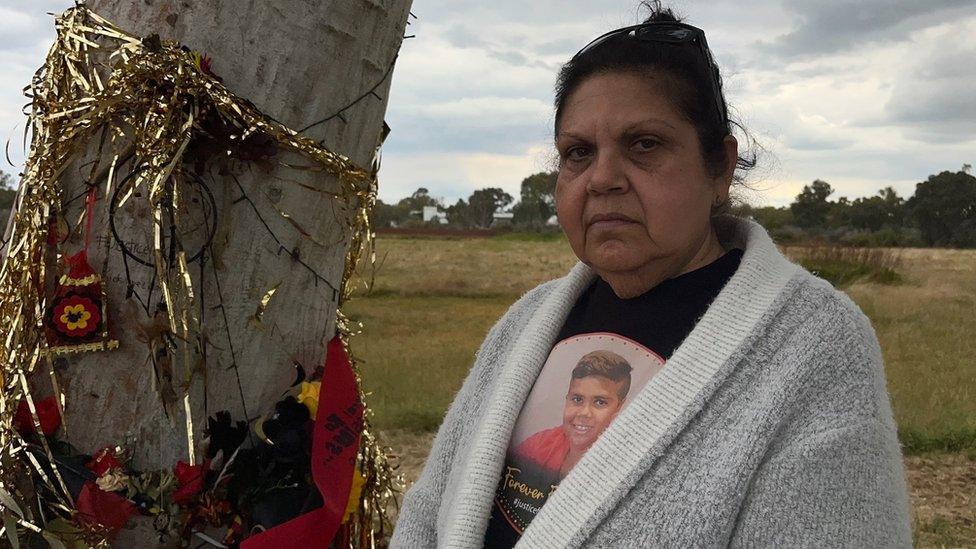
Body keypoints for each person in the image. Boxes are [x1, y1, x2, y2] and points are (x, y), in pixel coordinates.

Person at [390, 3, 912, 547]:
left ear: (720, 168)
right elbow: (430, 510)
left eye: (645, 145)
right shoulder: (524, 325)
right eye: (578, 153)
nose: (602, 178)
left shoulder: (814, 343)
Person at [514, 350, 633, 477]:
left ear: (619, 406)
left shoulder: (622, 465)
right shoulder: (539, 444)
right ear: (567, 397)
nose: (584, 413)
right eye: (577, 399)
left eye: (600, 402)